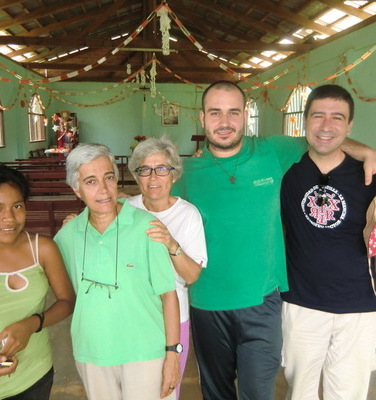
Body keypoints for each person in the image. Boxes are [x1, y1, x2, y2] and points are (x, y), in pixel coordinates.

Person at [172, 80, 376, 400]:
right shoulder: (185, 172)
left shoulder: (272, 151)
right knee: (216, 392)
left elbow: (323, 138)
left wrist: (367, 151)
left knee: (259, 392)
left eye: (233, 112)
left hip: (263, 302)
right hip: (207, 300)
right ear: (202, 118)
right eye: (215, 113)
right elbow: (151, 207)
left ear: (245, 116)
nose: (224, 122)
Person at [54, 143, 181, 400]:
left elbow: (168, 294)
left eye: (108, 177)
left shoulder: (147, 227)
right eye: (90, 181)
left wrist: (172, 354)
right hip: (92, 352)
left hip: (145, 352)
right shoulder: (67, 236)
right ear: (76, 190)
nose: (103, 189)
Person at [280, 84, 376, 400]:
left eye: (337, 117)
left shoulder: (369, 175)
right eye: (318, 116)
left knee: (349, 394)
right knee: (300, 393)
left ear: (349, 126)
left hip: (360, 306)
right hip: (300, 302)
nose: (326, 125)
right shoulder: (284, 171)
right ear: (304, 121)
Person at [0, 165, 75, 400]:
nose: (9, 218)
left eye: (17, 206)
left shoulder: (42, 249)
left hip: (34, 376)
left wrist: (32, 324)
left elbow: (66, 301)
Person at [128, 136, 207, 399]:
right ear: (136, 176)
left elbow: (192, 275)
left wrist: (171, 243)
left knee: (166, 390)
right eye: (145, 170)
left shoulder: (188, 215)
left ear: (174, 175)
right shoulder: (125, 210)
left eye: (162, 169)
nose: (153, 178)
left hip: (174, 317)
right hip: (135, 315)